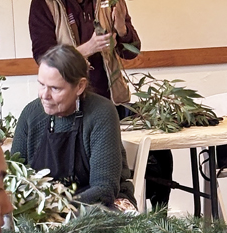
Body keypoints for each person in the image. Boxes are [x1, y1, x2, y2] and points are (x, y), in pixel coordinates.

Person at [29, 0, 174, 210]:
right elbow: (45, 57)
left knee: (160, 155)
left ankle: (160, 219)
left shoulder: (110, 1)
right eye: (41, 86)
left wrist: (122, 28)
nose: (44, 92)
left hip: (109, 100)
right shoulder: (45, 4)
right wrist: (87, 48)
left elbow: (131, 52)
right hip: (69, 106)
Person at [11, 44, 135, 208]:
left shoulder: (101, 113)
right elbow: (13, 178)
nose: (44, 95)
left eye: (55, 88)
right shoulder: (31, 114)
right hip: (42, 208)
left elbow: (104, 189)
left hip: (97, 206)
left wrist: (58, 208)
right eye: (41, 84)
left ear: (80, 86)